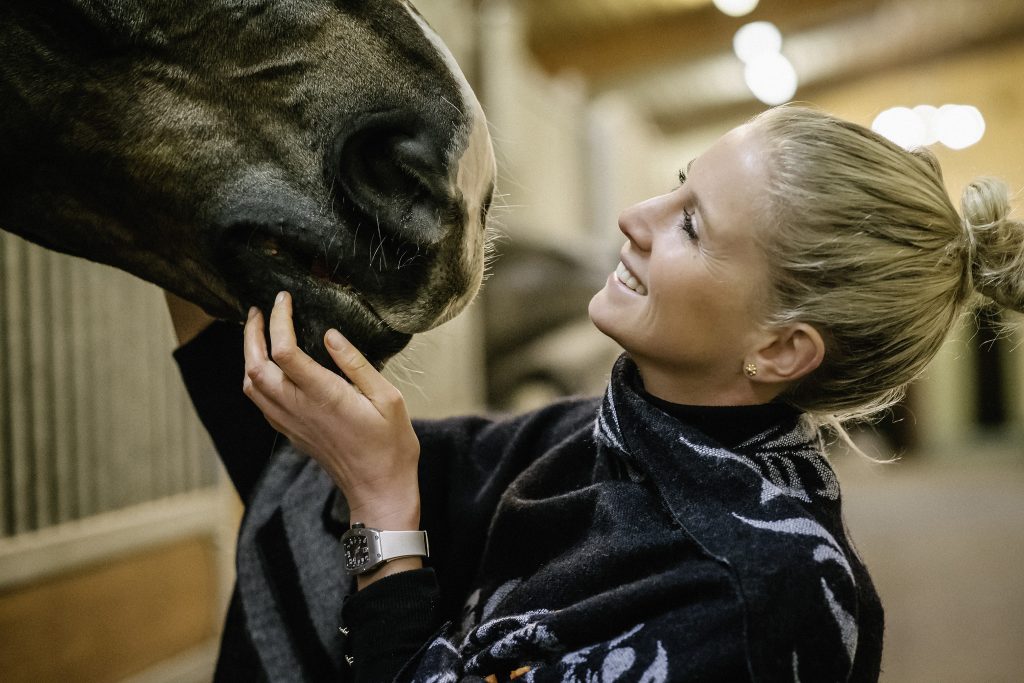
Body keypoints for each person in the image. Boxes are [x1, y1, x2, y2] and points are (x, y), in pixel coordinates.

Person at [168, 104, 1024, 682]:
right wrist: (176, 214)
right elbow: (299, 477)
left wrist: (386, 507)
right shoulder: (590, 437)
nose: (636, 216)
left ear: (781, 348)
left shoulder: (768, 590)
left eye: (691, 224)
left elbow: (371, 504)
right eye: (678, 182)